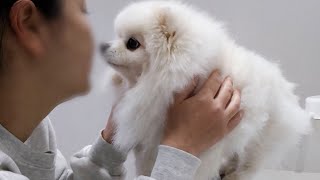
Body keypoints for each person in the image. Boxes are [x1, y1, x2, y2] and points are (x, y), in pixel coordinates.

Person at [0, 0, 243, 179]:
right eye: (82, 10)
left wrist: (112, 143)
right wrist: (182, 148)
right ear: (28, 23)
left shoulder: (34, 132)